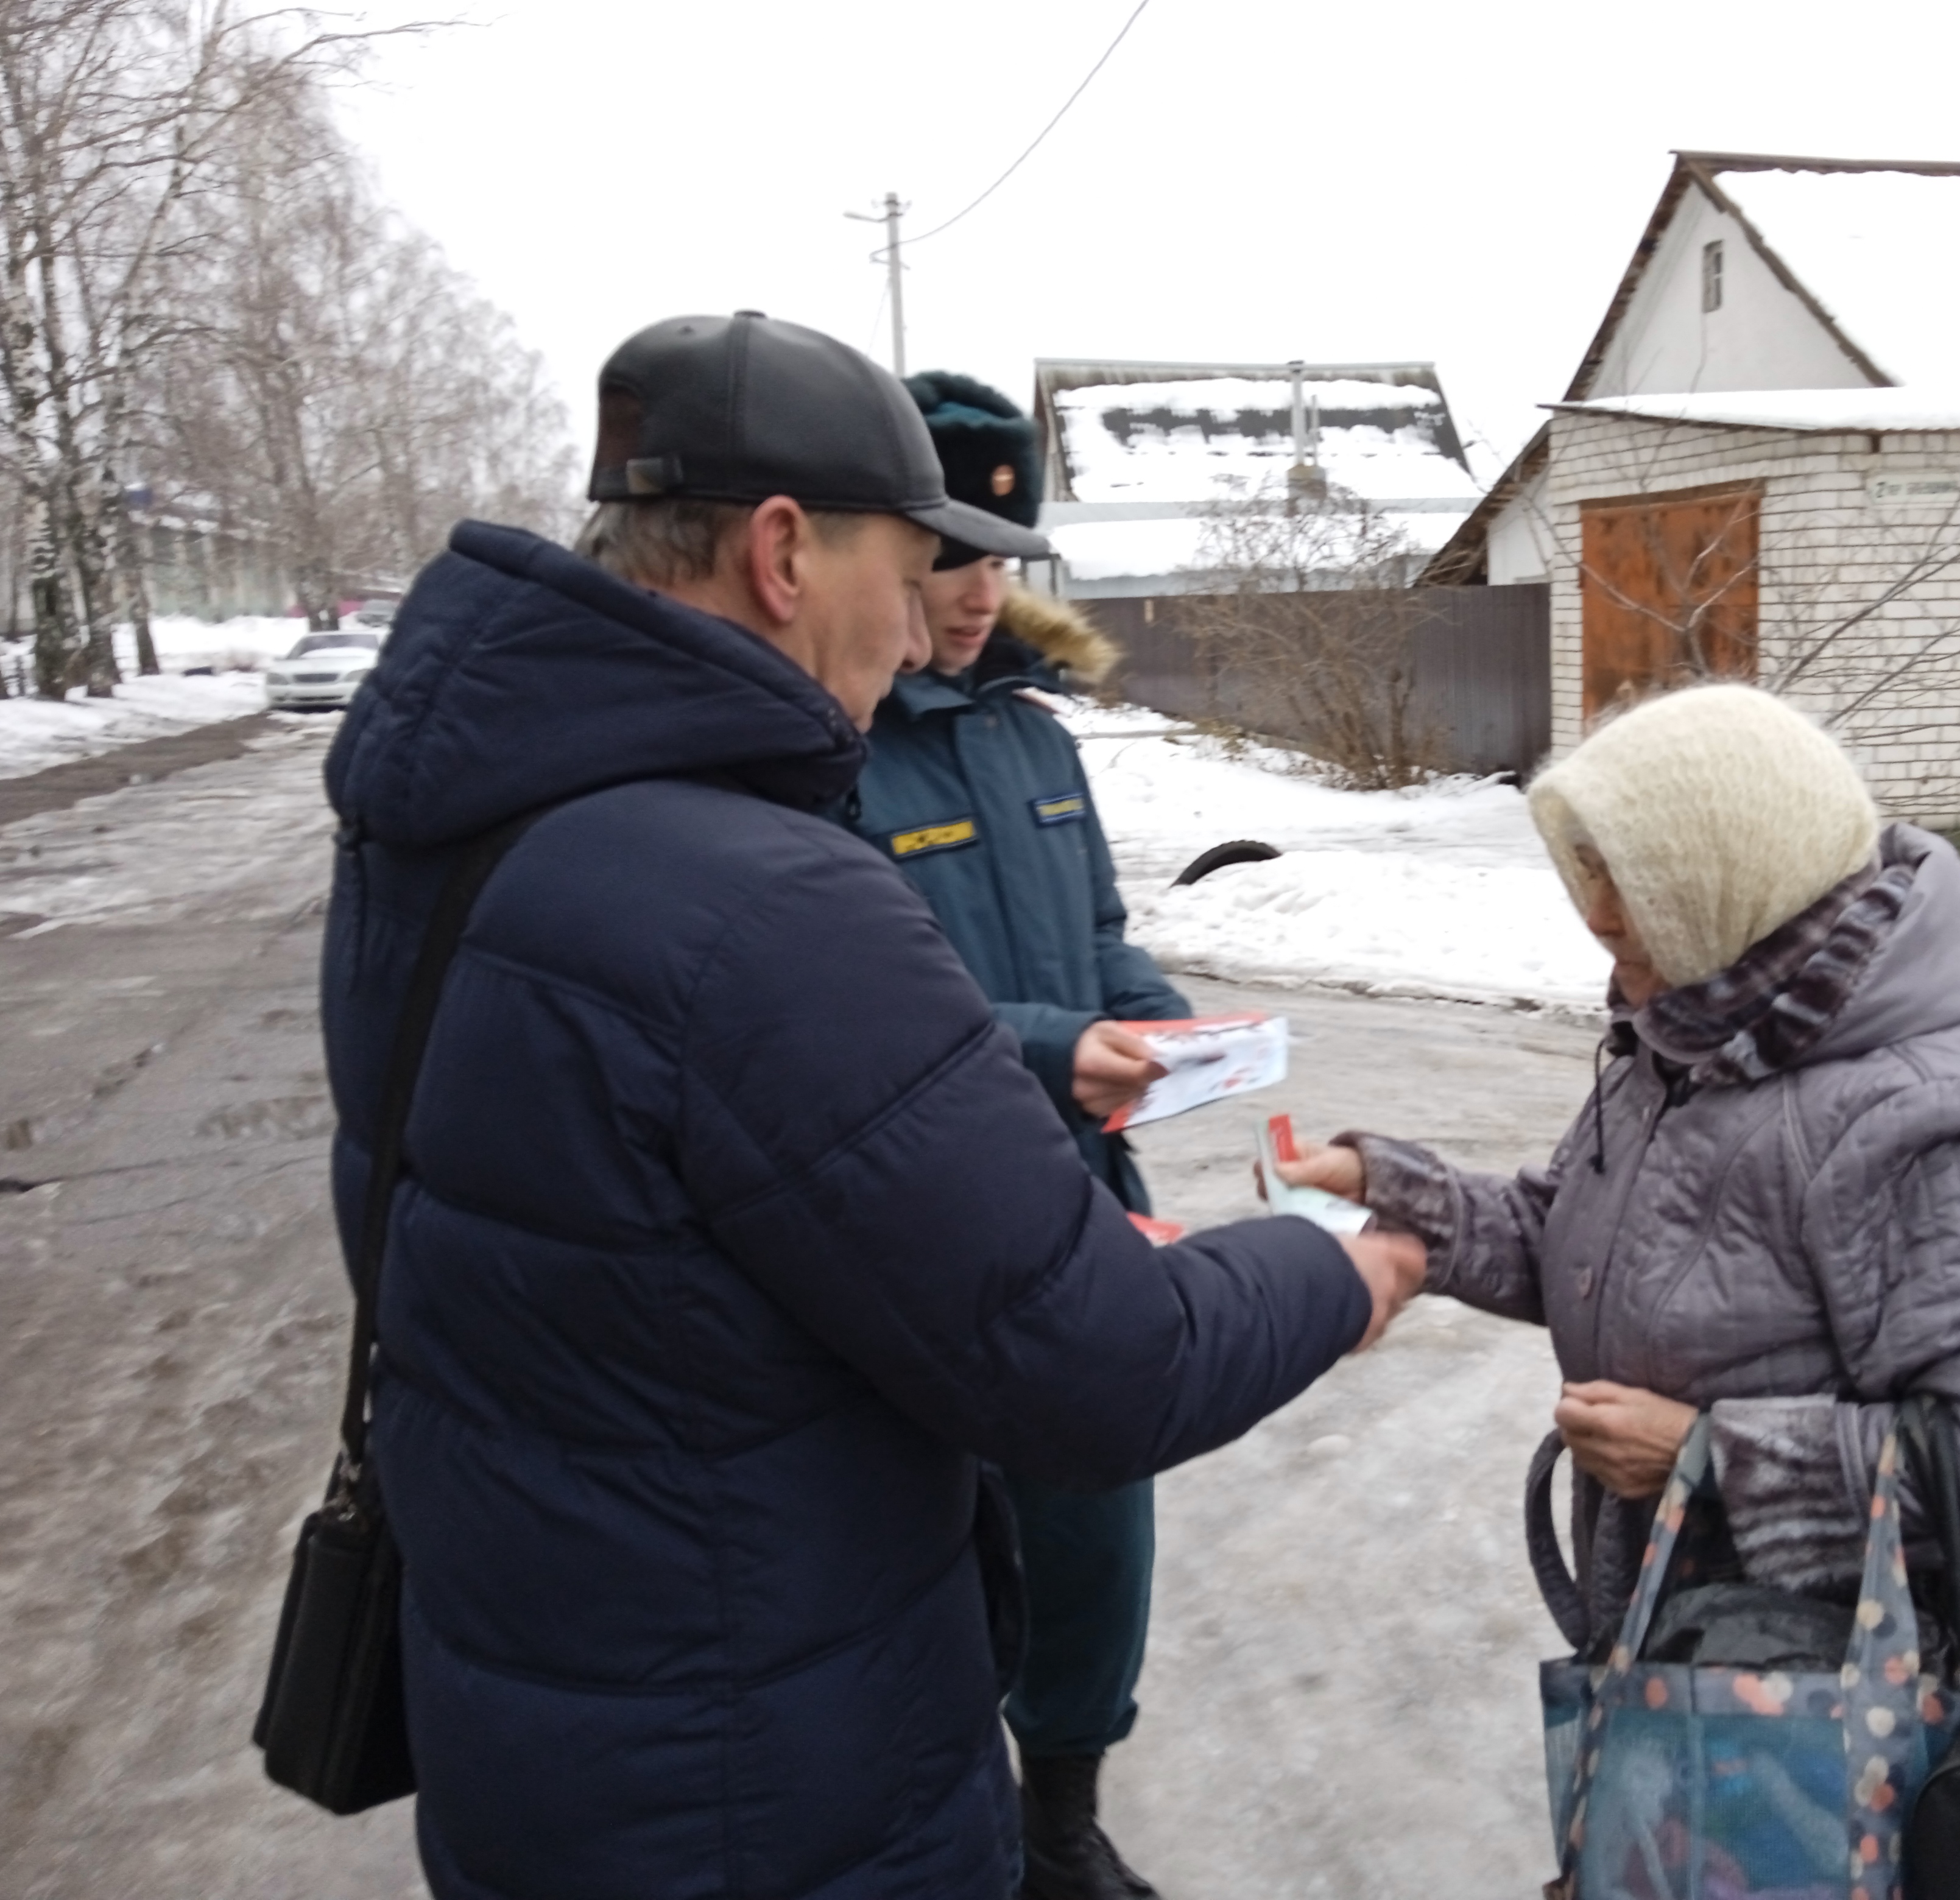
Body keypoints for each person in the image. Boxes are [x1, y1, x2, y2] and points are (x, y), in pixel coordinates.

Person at [318, 311, 1425, 1900]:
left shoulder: (449, 830)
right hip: (765, 1781)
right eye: (906, 578)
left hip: (543, 1717)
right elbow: (1104, 1368)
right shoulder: (753, 893)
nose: (922, 635)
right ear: (783, 553)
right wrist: (1343, 1263)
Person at [1277, 683, 1960, 1656]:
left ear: (1735, 874)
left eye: (1634, 878)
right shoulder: (1697, 1032)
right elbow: (1593, 1246)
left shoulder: (1917, 1119)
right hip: (1710, 1661)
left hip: (1861, 1707)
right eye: (1587, 871)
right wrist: (1394, 1194)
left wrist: (1710, 1458)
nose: (1600, 915)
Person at [833, 371, 1177, 1900]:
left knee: (1095, 1531)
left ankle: (1059, 1821)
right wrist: (1062, 1052)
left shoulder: (1039, 742)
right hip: (911, 1223)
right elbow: (859, 1012)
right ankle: (950, 1826)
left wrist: (1164, 1024)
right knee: (912, 1551)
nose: (980, 593)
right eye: (952, 554)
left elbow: (1098, 939)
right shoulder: (830, 746)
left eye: (1003, 558)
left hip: (1078, 1199)